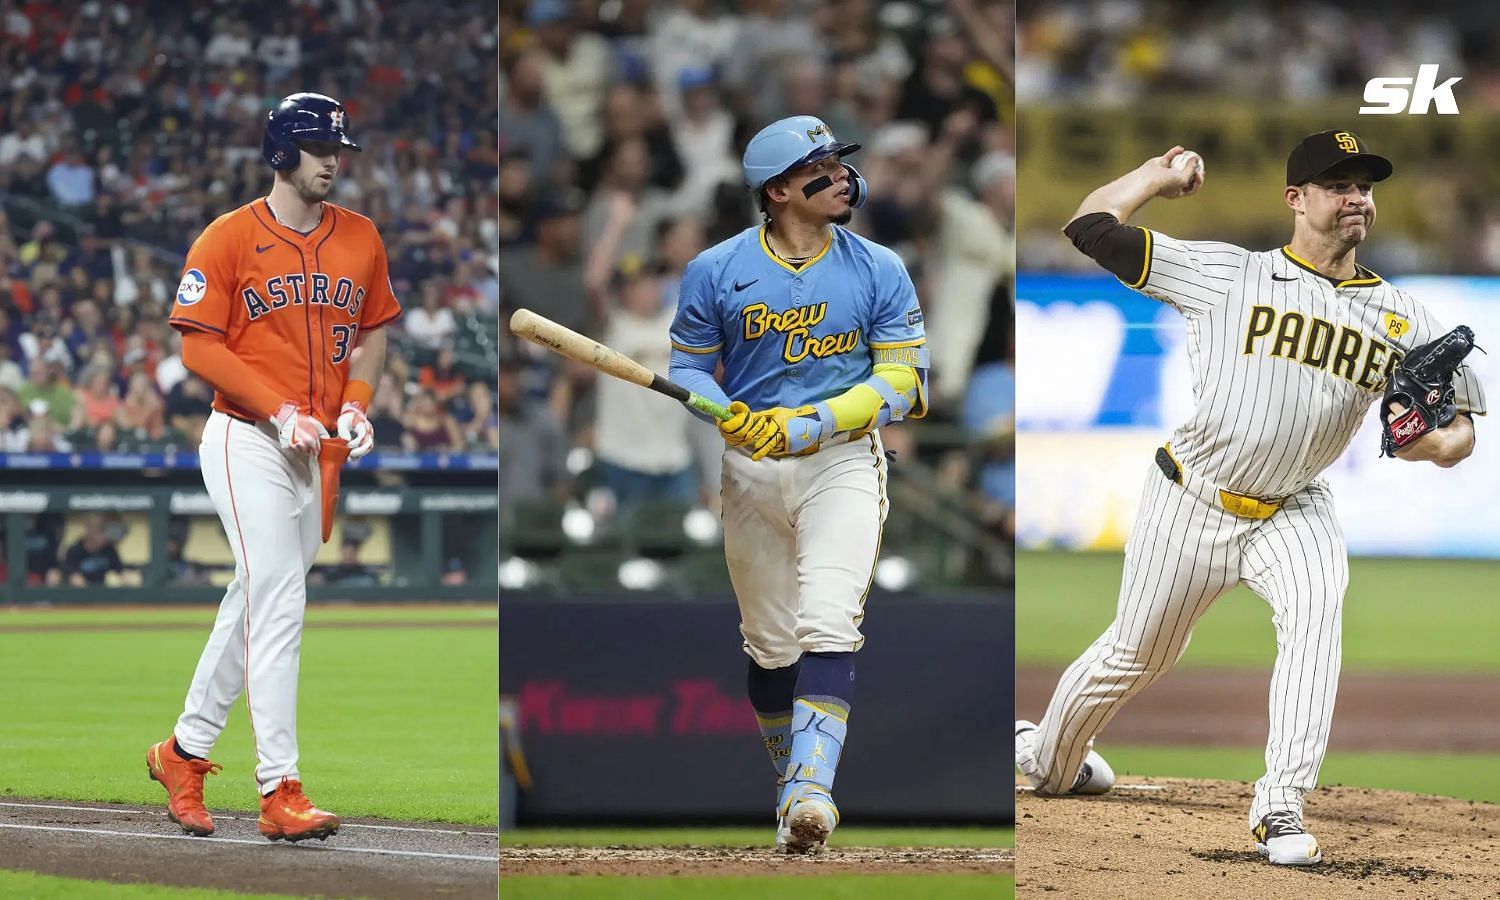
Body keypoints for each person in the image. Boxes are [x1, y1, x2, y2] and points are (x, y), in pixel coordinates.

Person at [1016, 131, 1486, 867]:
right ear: (1296, 200)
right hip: (1191, 496)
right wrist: (1151, 175)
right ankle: (1047, 753)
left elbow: (1459, 436)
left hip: (1296, 507)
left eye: (1365, 185)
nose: (1357, 197)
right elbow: (1088, 224)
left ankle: (1280, 805)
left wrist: (1423, 440)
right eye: (1338, 184)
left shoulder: (1405, 319)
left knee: (1315, 619)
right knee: (1135, 655)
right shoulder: (1226, 273)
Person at [668, 115, 929, 853]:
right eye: (820, 165)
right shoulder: (715, 269)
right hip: (748, 468)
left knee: (828, 622)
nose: (841, 173)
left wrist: (810, 424)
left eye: (840, 162)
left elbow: (906, 381)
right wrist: (726, 411)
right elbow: (689, 365)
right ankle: (792, 787)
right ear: (777, 190)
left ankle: (814, 792)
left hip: (842, 459)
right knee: (769, 645)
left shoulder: (879, 265)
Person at [146, 93, 400, 843]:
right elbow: (198, 344)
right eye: (322, 148)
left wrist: (355, 406)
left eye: (339, 149)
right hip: (243, 437)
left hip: (313, 448)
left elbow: (375, 333)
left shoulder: (360, 238)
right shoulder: (226, 238)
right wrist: (279, 407)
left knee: (252, 600)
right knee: (281, 598)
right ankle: (279, 788)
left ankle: (184, 753)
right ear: (282, 151)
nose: (334, 161)